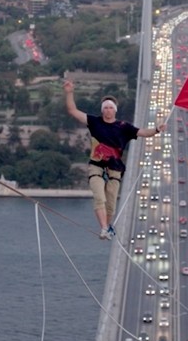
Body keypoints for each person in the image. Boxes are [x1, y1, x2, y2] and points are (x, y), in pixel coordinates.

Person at [63, 80, 162, 239]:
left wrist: (156, 130)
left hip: (115, 168)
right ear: (102, 110)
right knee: (99, 197)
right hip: (96, 166)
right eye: (105, 108)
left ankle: (107, 227)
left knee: (111, 205)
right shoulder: (94, 122)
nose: (108, 110)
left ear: (115, 110)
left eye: (110, 107)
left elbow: (143, 132)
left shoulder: (124, 127)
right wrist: (69, 93)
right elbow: (72, 110)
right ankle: (104, 228)